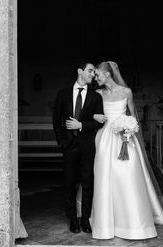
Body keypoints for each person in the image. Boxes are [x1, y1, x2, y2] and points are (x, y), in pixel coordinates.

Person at [90, 61, 163, 240]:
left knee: (128, 174)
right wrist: (94, 116)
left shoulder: (126, 92)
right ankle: (106, 222)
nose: (96, 77)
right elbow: (89, 114)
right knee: (104, 177)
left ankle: (133, 222)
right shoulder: (97, 94)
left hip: (124, 138)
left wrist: (129, 128)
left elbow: (133, 116)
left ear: (108, 74)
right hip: (104, 139)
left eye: (98, 74)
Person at [52, 61, 104, 234]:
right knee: (69, 183)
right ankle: (73, 219)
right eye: (90, 71)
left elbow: (98, 123)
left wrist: (81, 125)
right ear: (80, 71)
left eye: (94, 72)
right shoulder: (63, 94)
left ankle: (85, 220)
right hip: (69, 146)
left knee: (88, 183)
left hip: (88, 145)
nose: (93, 74)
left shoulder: (96, 97)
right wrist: (62, 142)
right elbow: (56, 120)